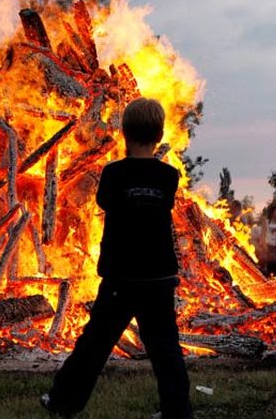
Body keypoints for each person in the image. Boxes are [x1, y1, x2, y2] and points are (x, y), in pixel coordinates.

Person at [41, 98, 191, 418]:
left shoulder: (113, 174)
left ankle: (62, 402)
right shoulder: (168, 177)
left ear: (123, 133)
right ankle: (177, 410)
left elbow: (106, 202)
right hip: (158, 277)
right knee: (165, 347)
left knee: (94, 344)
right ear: (160, 134)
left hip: (121, 277)